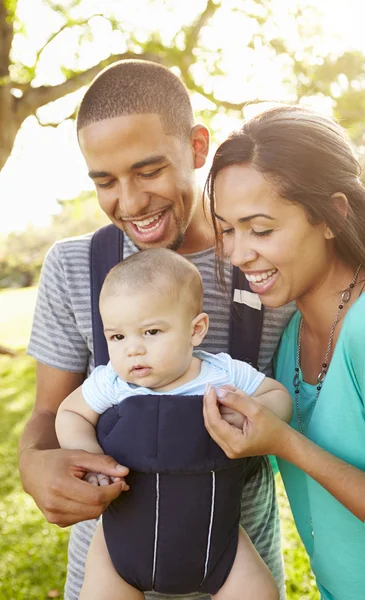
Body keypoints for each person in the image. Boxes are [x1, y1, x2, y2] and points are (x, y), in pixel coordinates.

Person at [18, 60, 295, 600]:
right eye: (105, 181)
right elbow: (52, 413)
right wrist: (33, 465)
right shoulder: (75, 266)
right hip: (110, 569)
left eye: (148, 171)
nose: (130, 201)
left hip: (234, 567)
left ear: (196, 148)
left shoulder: (262, 265)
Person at [202, 104, 365, 600]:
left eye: (262, 229)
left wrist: (286, 443)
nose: (239, 254)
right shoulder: (291, 335)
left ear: (333, 214)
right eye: (228, 229)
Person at [55, 248, 293, 600]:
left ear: (196, 330)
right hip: (121, 543)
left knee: (259, 593)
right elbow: (70, 413)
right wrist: (89, 456)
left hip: (219, 540)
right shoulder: (111, 383)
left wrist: (249, 412)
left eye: (150, 331)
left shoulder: (221, 373)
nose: (132, 349)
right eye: (117, 337)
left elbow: (278, 395)